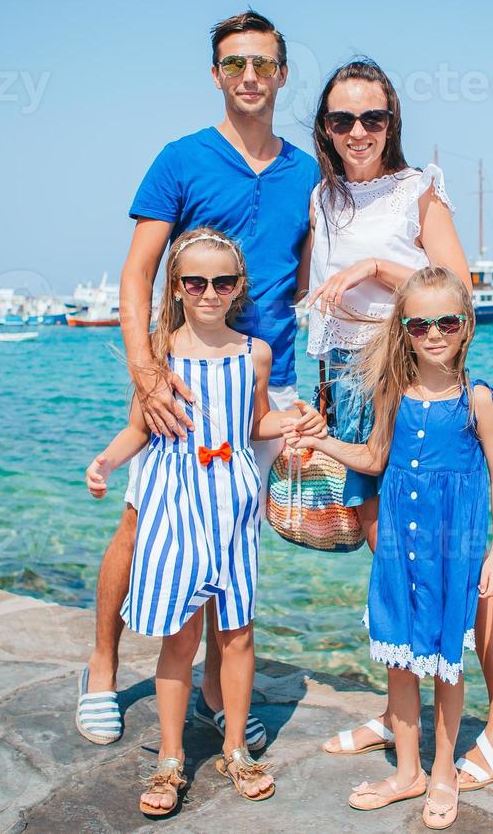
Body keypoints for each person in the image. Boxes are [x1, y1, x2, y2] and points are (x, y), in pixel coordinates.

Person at [78, 11, 319, 751]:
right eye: (235, 64)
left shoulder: (307, 171)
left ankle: (218, 685)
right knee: (139, 521)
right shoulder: (180, 159)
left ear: (282, 73)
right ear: (217, 74)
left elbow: (306, 279)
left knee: (231, 532)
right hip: (176, 382)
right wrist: (145, 372)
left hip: (261, 379)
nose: (250, 76)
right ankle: (101, 666)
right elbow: (136, 272)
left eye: (264, 64)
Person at [303, 59, 493, 791]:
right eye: (343, 119)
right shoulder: (323, 196)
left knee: (465, 565)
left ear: (392, 121)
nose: (359, 131)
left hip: (402, 373)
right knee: (392, 555)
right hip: (345, 381)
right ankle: (400, 709)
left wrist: (374, 267)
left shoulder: (417, 189)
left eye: (373, 117)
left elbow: (455, 289)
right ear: (325, 128)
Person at [89, 228, 325, 816]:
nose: (210, 292)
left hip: (234, 508)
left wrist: (298, 421)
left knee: (237, 633)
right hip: (174, 508)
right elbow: (140, 428)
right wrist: (106, 462)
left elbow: (255, 424)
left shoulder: (256, 353)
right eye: (196, 281)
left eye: (223, 282)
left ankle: (236, 748)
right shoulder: (159, 352)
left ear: (239, 287)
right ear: (177, 286)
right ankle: (170, 759)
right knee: (181, 637)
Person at [287, 267, 493, 829]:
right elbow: (372, 459)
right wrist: (321, 441)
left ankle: (442, 772)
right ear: (404, 330)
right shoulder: (391, 391)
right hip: (396, 549)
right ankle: (406, 771)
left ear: (467, 325)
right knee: (400, 663)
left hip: (453, 553)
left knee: (446, 666)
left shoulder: (477, 400)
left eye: (446, 322)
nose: (433, 333)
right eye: (418, 324)